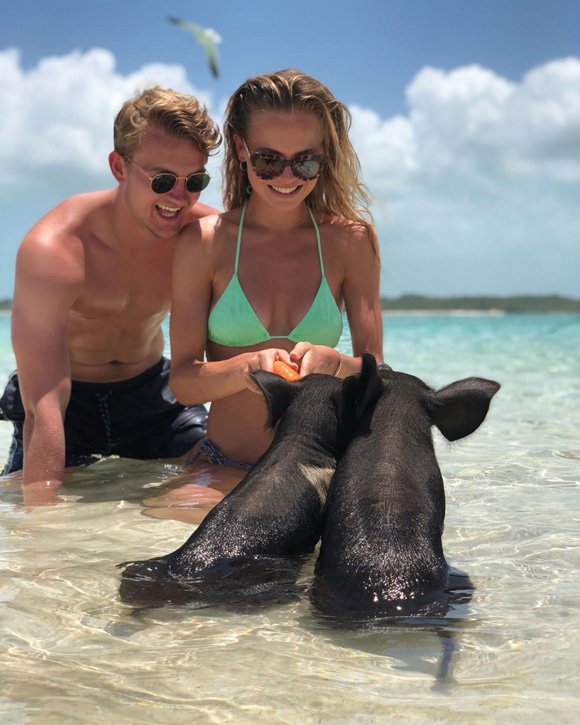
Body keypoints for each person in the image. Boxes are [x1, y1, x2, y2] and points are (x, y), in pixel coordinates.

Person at [164, 68, 383, 503]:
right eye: (269, 159)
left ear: (326, 156)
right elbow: (184, 382)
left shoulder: (350, 241)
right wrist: (245, 369)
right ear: (242, 150)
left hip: (319, 469)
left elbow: (378, 372)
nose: (287, 176)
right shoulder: (204, 242)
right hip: (225, 466)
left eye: (306, 161)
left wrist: (336, 364)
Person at [0, 86, 221, 504]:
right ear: (119, 167)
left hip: (153, 396)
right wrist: (43, 544)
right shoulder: (56, 249)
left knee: (223, 481)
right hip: (66, 404)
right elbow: (45, 400)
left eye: (195, 180)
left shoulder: (205, 237)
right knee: (29, 504)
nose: (179, 197)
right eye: (162, 179)